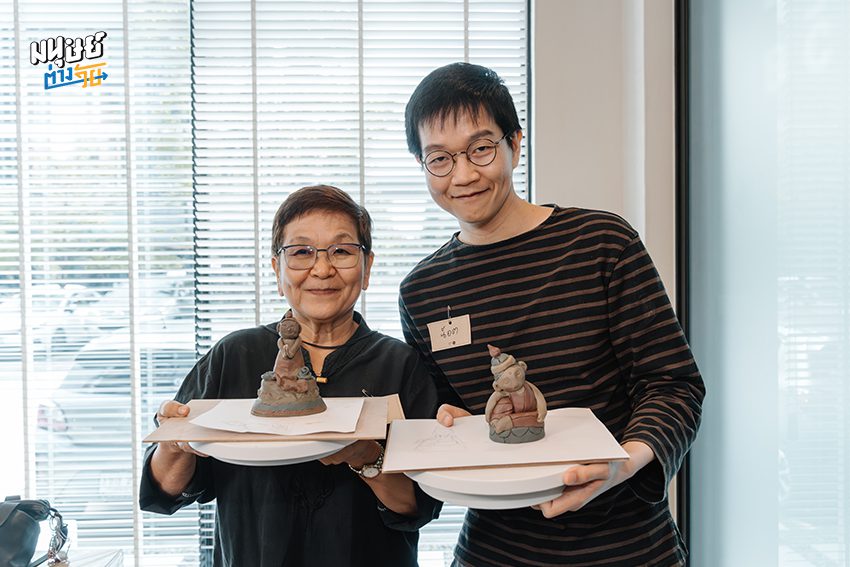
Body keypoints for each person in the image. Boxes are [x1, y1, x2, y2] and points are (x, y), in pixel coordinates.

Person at [399, 62, 706, 566]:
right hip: (495, 550)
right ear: (422, 164)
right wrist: (451, 422)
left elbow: (674, 385)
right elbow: (452, 415)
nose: (463, 175)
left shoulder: (601, 243)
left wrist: (622, 464)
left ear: (515, 144)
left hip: (627, 545)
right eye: (440, 158)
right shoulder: (423, 291)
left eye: (481, 148)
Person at [140, 185, 441, 567]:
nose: (322, 269)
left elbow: (419, 504)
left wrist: (367, 457)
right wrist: (173, 443)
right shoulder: (234, 355)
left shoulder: (400, 363)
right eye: (301, 252)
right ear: (277, 270)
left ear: (367, 267)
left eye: (342, 251)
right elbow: (165, 490)